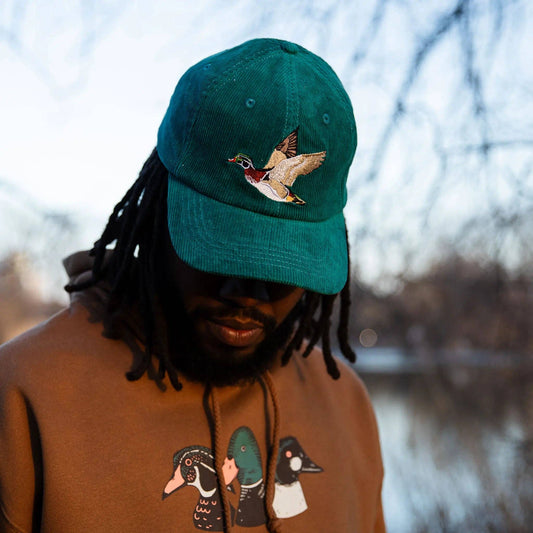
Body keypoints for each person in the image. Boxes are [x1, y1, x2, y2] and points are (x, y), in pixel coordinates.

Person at [0, 38, 385, 532]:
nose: (246, 292)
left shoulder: (346, 406)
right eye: (219, 250)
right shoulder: (25, 394)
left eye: (283, 265)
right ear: (157, 209)